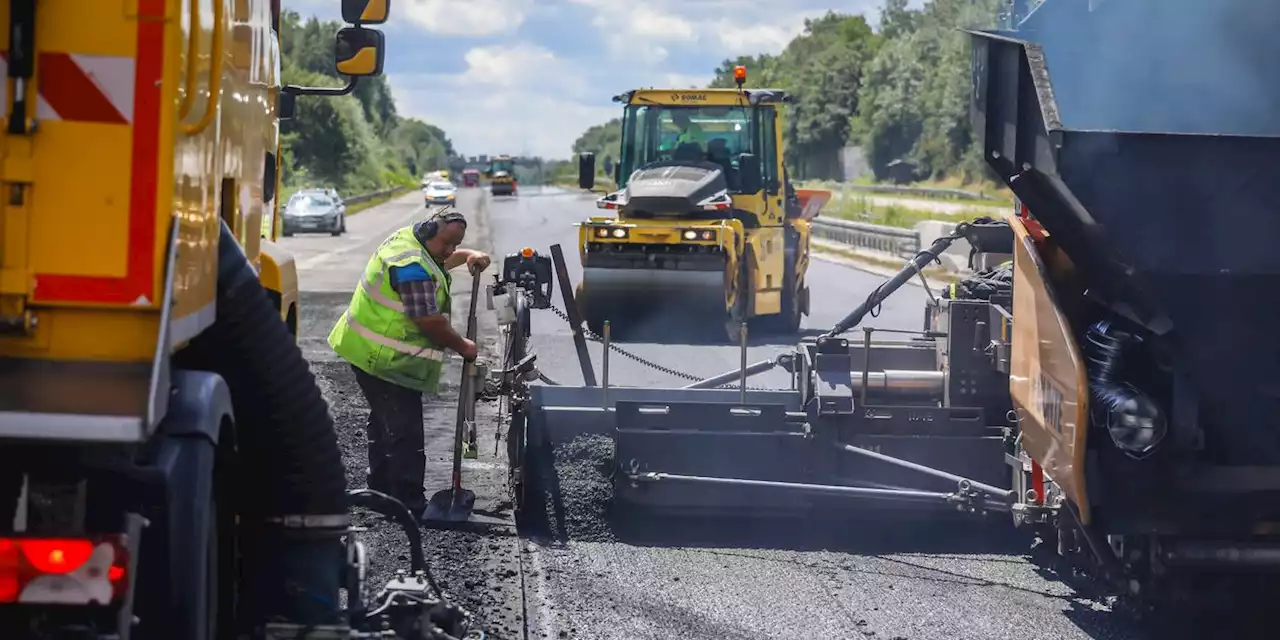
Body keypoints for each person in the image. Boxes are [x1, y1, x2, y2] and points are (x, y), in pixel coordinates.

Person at [327, 208, 491, 515]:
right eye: (448, 243)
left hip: (371, 350)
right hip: (382, 358)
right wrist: (463, 346)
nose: (450, 251)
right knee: (405, 433)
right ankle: (408, 502)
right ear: (430, 232)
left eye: (456, 244)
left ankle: (380, 491)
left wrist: (467, 255)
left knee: (385, 422)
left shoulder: (414, 244)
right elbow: (427, 320)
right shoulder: (410, 265)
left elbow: (438, 261)